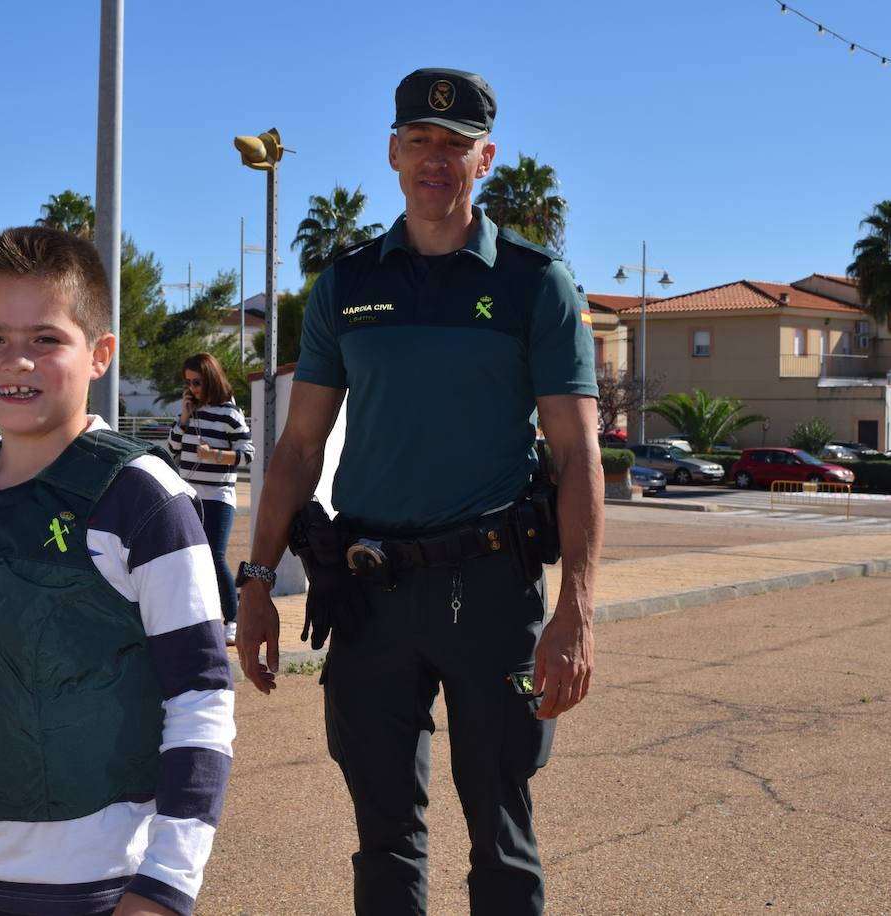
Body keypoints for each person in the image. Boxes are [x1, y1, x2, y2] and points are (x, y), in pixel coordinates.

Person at [235, 68, 602, 915]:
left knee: (502, 833)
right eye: (420, 141)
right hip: (371, 594)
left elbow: (579, 454)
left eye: (456, 145)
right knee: (384, 835)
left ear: (486, 159)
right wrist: (255, 583)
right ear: (393, 151)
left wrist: (576, 609)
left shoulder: (533, 283)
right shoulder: (348, 282)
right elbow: (296, 447)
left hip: (494, 591)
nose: (437, 159)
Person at [0, 226, 235, 916]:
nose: (17, 361)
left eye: (47, 339)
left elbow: (201, 699)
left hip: (102, 884)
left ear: (100, 355)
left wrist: (167, 883)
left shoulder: (143, 497)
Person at [167, 352, 254, 646]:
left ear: (211, 378)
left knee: (215, 557)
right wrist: (184, 416)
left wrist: (214, 455)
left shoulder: (230, 414)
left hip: (218, 496)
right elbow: (172, 446)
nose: (192, 388)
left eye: (198, 382)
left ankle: (234, 619)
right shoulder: (193, 411)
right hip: (187, 495)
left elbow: (247, 454)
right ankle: (198, 618)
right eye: (188, 383)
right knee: (189, 557)